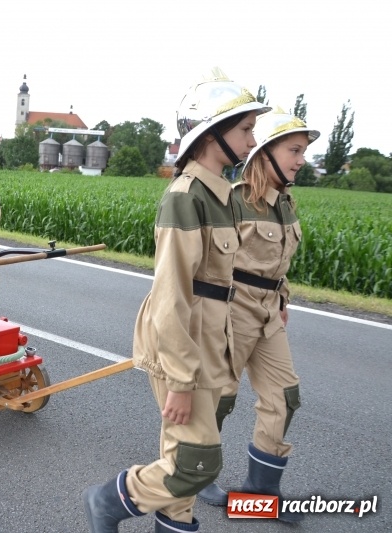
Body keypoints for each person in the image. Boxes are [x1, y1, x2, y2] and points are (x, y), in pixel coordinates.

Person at [82, 69, 270, 533]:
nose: (252, 140)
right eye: (245, 129)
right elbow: (171, 297)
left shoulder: (219, 195)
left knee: (181, 459)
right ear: (212, 134)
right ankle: (110, 499)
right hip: (181, 344)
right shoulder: (187, 197)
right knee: (197, 464)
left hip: (207, 339)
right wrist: (183, 380)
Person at [195, 109, 319, 523]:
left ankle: (263, 492)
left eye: (303, 151)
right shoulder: (232, 200)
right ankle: (196, 473)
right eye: (294, 150)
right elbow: (208, 262)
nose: (301, 159)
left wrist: (282, 300)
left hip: (269, 313)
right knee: (220, 397)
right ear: (264, 152)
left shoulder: (285, 203)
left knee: (286, 397)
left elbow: (277, 263)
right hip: (233, 309)